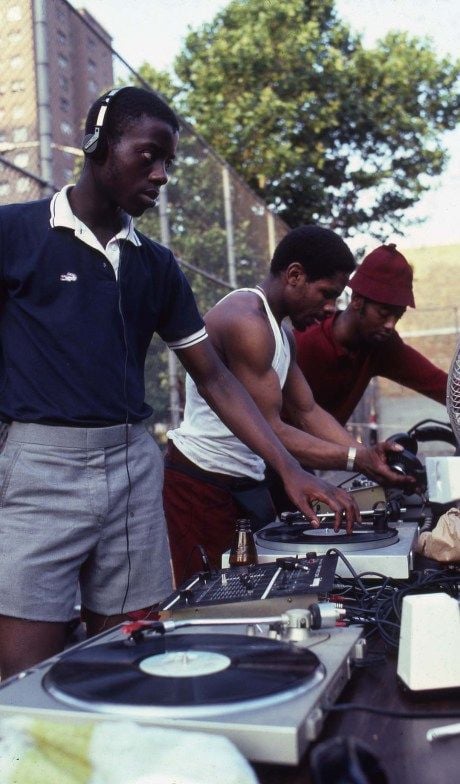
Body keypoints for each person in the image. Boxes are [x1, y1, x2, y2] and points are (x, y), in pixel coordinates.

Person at [0, 87, 356, 679]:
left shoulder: (156, 264)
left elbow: (214, 377)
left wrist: (289, 468)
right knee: (24, 674)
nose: (162, 175)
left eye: (169, 162)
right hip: (40, 469)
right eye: (149, 156)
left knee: (127, 657)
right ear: (98, 144)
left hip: (133, 468)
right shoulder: (14, 233)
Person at [164, 226, 411, 583]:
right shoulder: (246, 321)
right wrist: (355, 459)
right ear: (294, 275)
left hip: (246, 481)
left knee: (257, 592)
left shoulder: (282, 334)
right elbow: (271, 427)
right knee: (211, 601)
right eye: (327, 294)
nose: (331, 308)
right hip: (202, 480)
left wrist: (367, 454)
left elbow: (307, 412)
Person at [294, 243, 447, 426]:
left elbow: (439, 384)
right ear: (357, 300)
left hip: (334, 442)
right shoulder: (305, 345)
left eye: (398, 316)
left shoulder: (382, 344)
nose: (391, 325)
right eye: (384, 314)